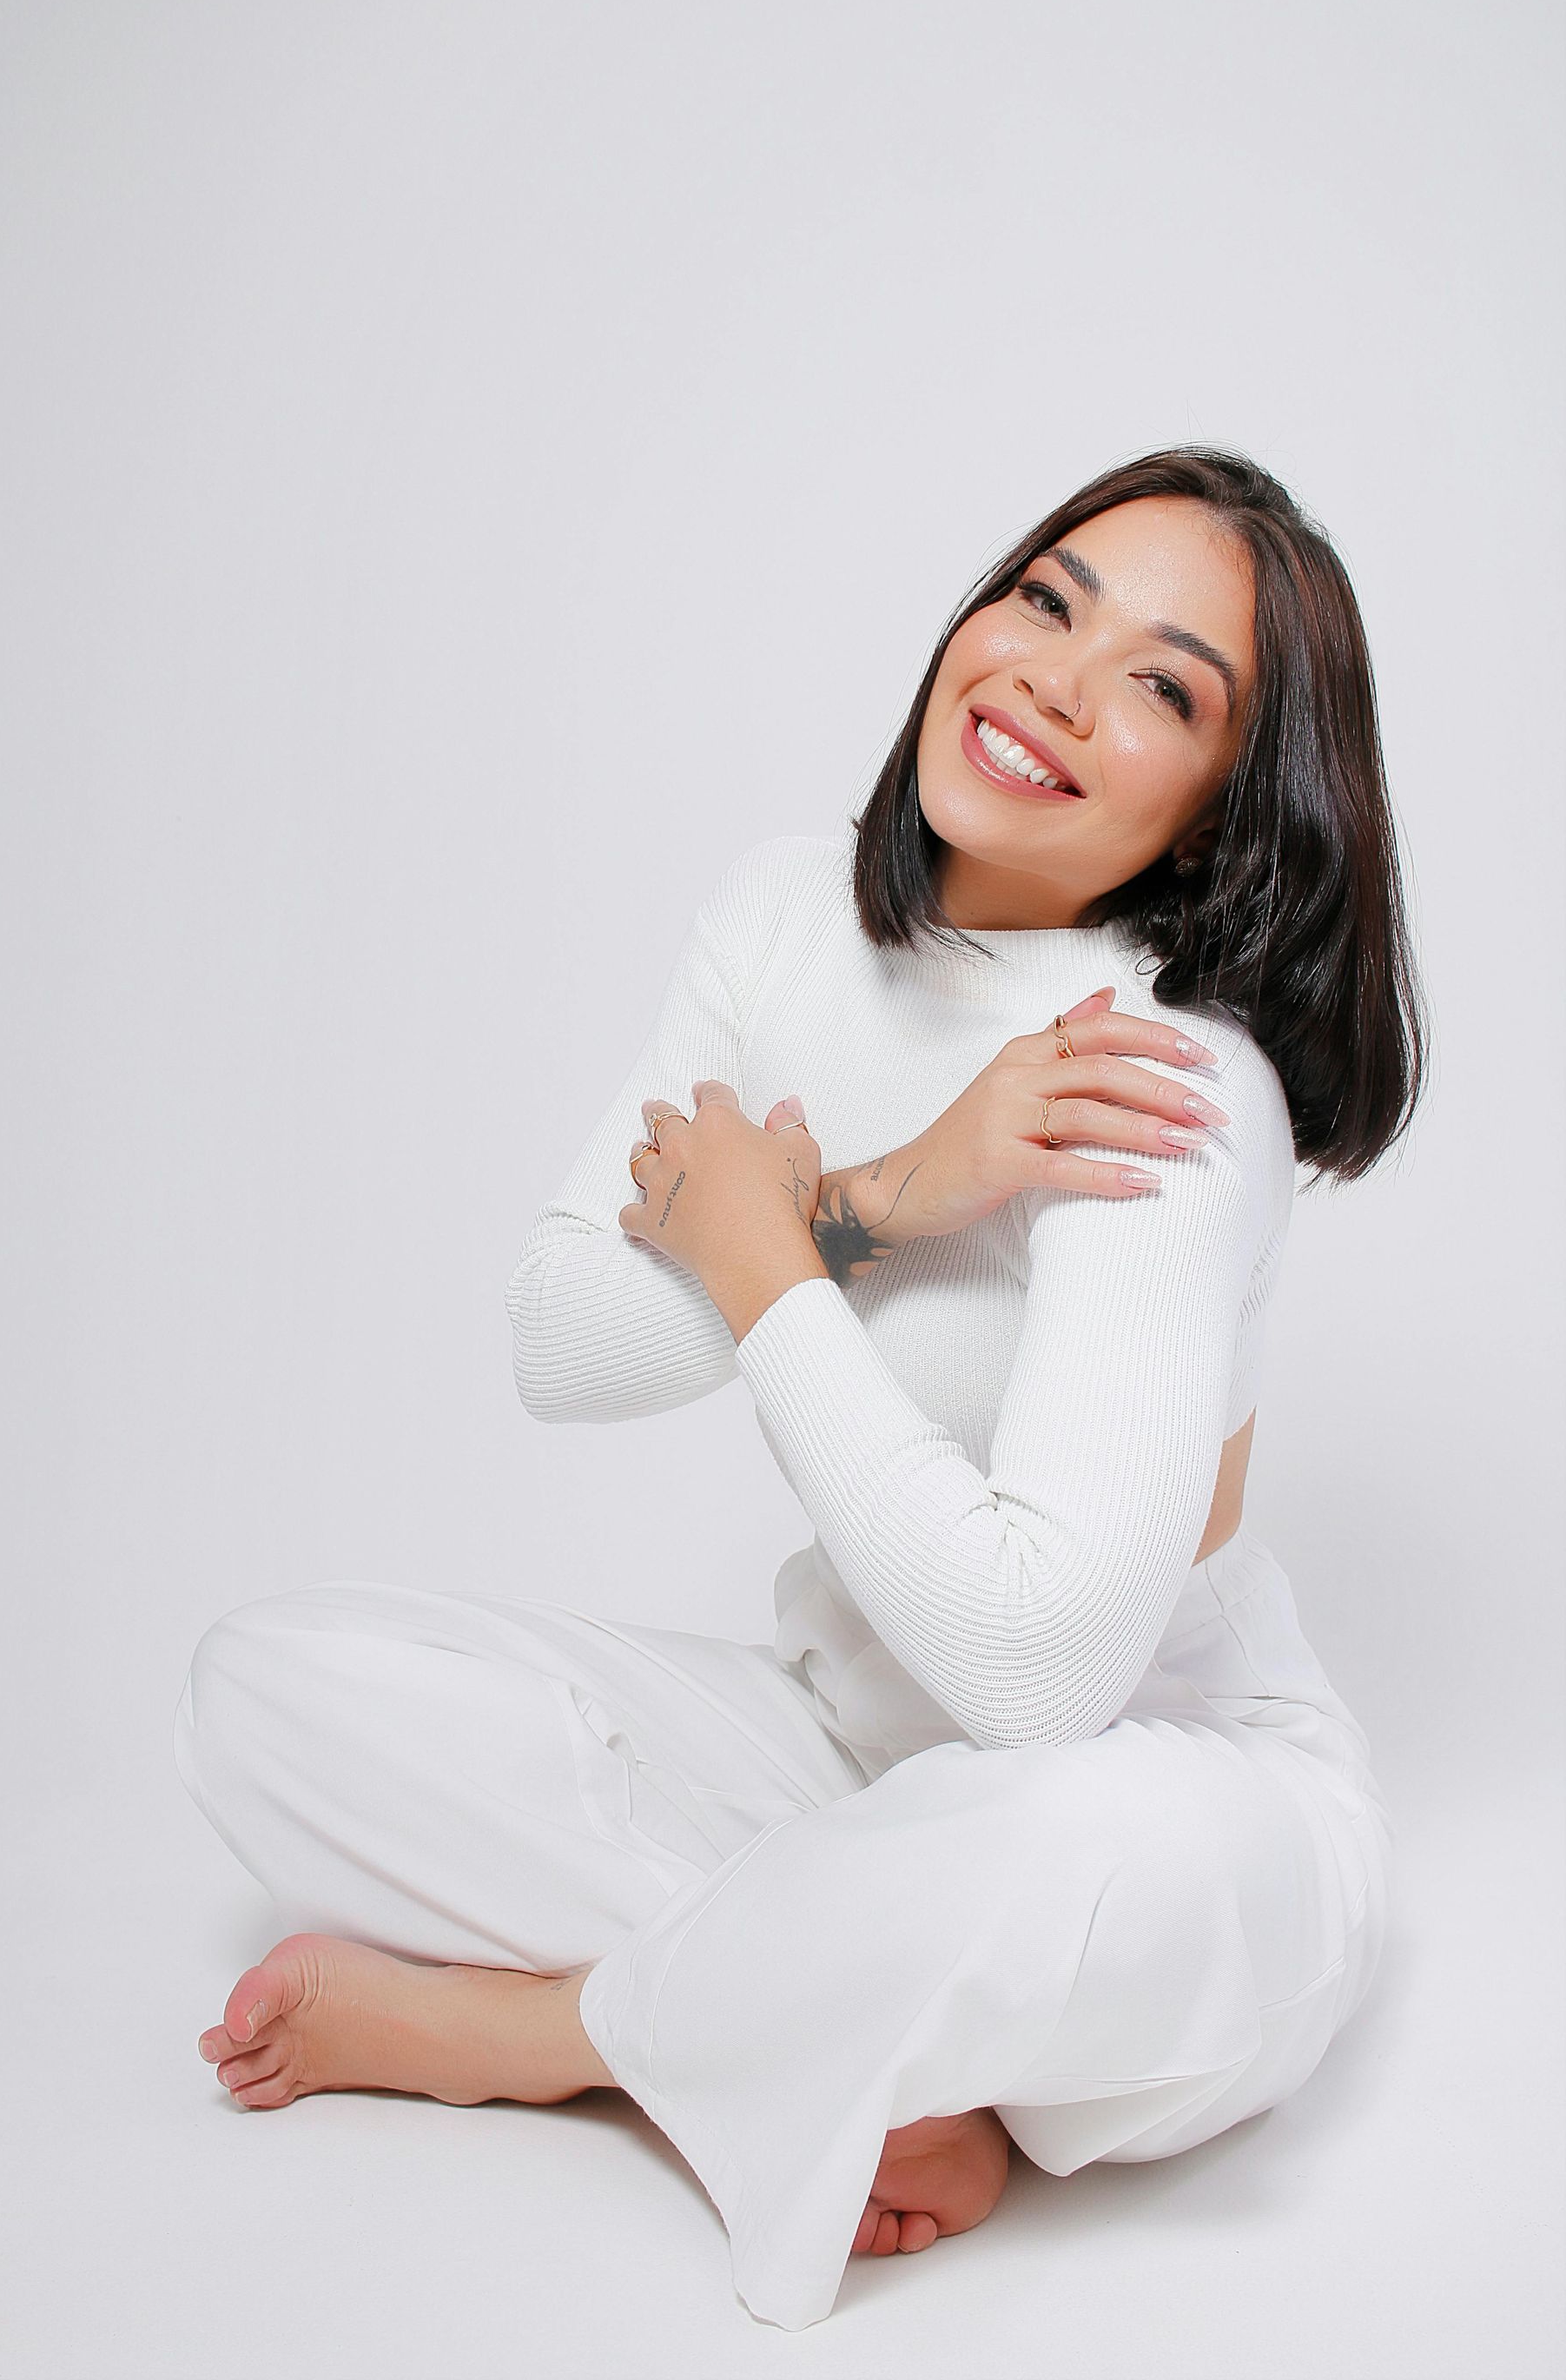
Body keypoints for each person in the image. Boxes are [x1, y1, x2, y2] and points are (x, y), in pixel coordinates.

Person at [174, 445, 1426, 2330]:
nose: (1056, 684)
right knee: (271, 1692)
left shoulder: (1163, 1086)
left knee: (1090, 1847)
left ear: (1229, 813)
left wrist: (763, 1269)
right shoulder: (784, 920)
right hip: (836, 1754)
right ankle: (835, 2035)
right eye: (1045, 600)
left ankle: (554, 2036)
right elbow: (560, 1343)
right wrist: (887, 1196)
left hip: (1149, 1803)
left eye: (1163, 687)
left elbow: (1033, 1682)